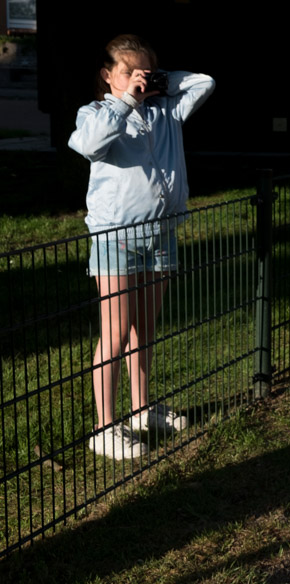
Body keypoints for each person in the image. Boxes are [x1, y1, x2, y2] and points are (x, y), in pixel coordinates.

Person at [68, 34, 215, 459]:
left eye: (144, 72)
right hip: (116, 236)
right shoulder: (96, 112)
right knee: (114, 334)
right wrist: (124, 101)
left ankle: (142, 410)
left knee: (144, 331)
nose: (137, 79)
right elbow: (89, 145)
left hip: (162, 233)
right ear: (107, 75)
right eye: (127, 71)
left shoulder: (166, 109)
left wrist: (161, 81)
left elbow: (204, 83)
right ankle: (103, 427)